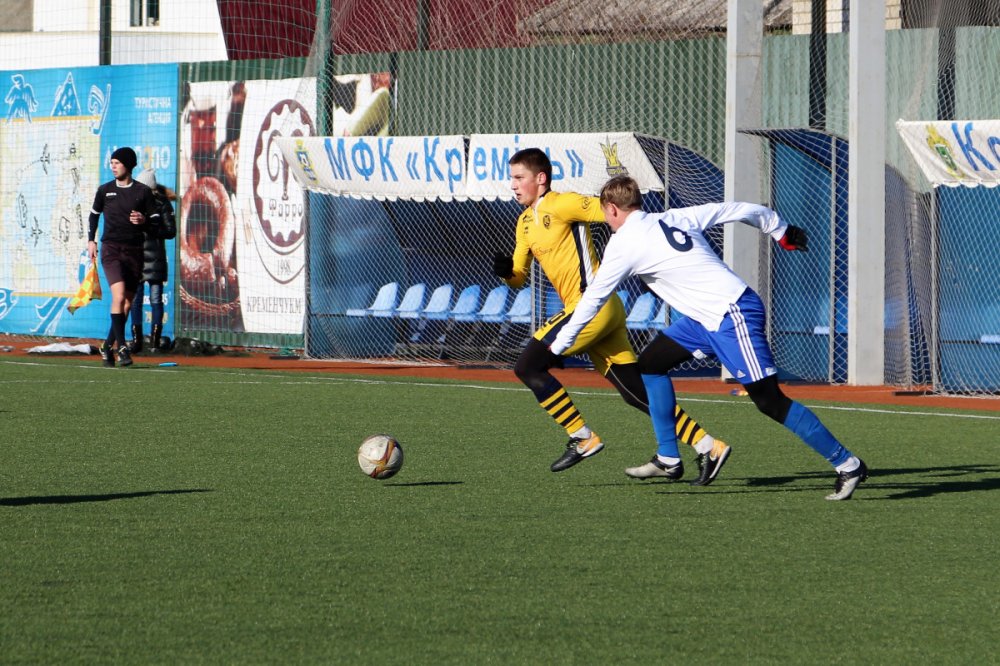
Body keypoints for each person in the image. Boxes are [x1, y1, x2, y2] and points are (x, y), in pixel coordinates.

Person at [550, 175, 868, 500]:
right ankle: (668, 458)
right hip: (705, 319)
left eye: (605, 214)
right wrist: (779, 229)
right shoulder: (675, 217)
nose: (606, 221)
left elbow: (593, 299)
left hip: (732, 314)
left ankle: (848, 464)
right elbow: (738, 208)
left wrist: (559, 346)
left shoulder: (623, 243)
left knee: (769, 401)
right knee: (651, 364)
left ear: (612, 209)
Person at [493, 148, 731, 483]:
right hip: (596, 312)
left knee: (528, 366)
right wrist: (506, 272)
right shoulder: (524, 222)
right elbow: (518, 277)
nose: (513, 185)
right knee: (636, 393)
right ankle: (708, 445)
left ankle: (582, 436)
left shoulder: (563, 203)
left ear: (541, 178)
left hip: (592, 307)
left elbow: (614, 212)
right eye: (512, 178)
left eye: (519, 177)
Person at [87, 147, 159, 368]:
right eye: (112, 163)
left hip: (134, 251)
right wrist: (91, 240)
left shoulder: (142, 192)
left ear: (128, 165)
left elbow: (156, 221)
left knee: (127, 303)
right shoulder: (105, 190)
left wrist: (144, 220)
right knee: (118, 296)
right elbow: (93, 216)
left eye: (117, 162)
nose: (113, 166)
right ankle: (122, 348)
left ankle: (107, 346)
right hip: (111, 250)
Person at [128, 169, 177, 353]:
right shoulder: (134, 202)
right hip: (137, 257)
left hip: (153, 258)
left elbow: (170, 231)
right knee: (137, 300)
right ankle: (138, 341)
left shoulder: (161, 203)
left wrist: (148, 226)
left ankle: (153, 341)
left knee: (154, 299)